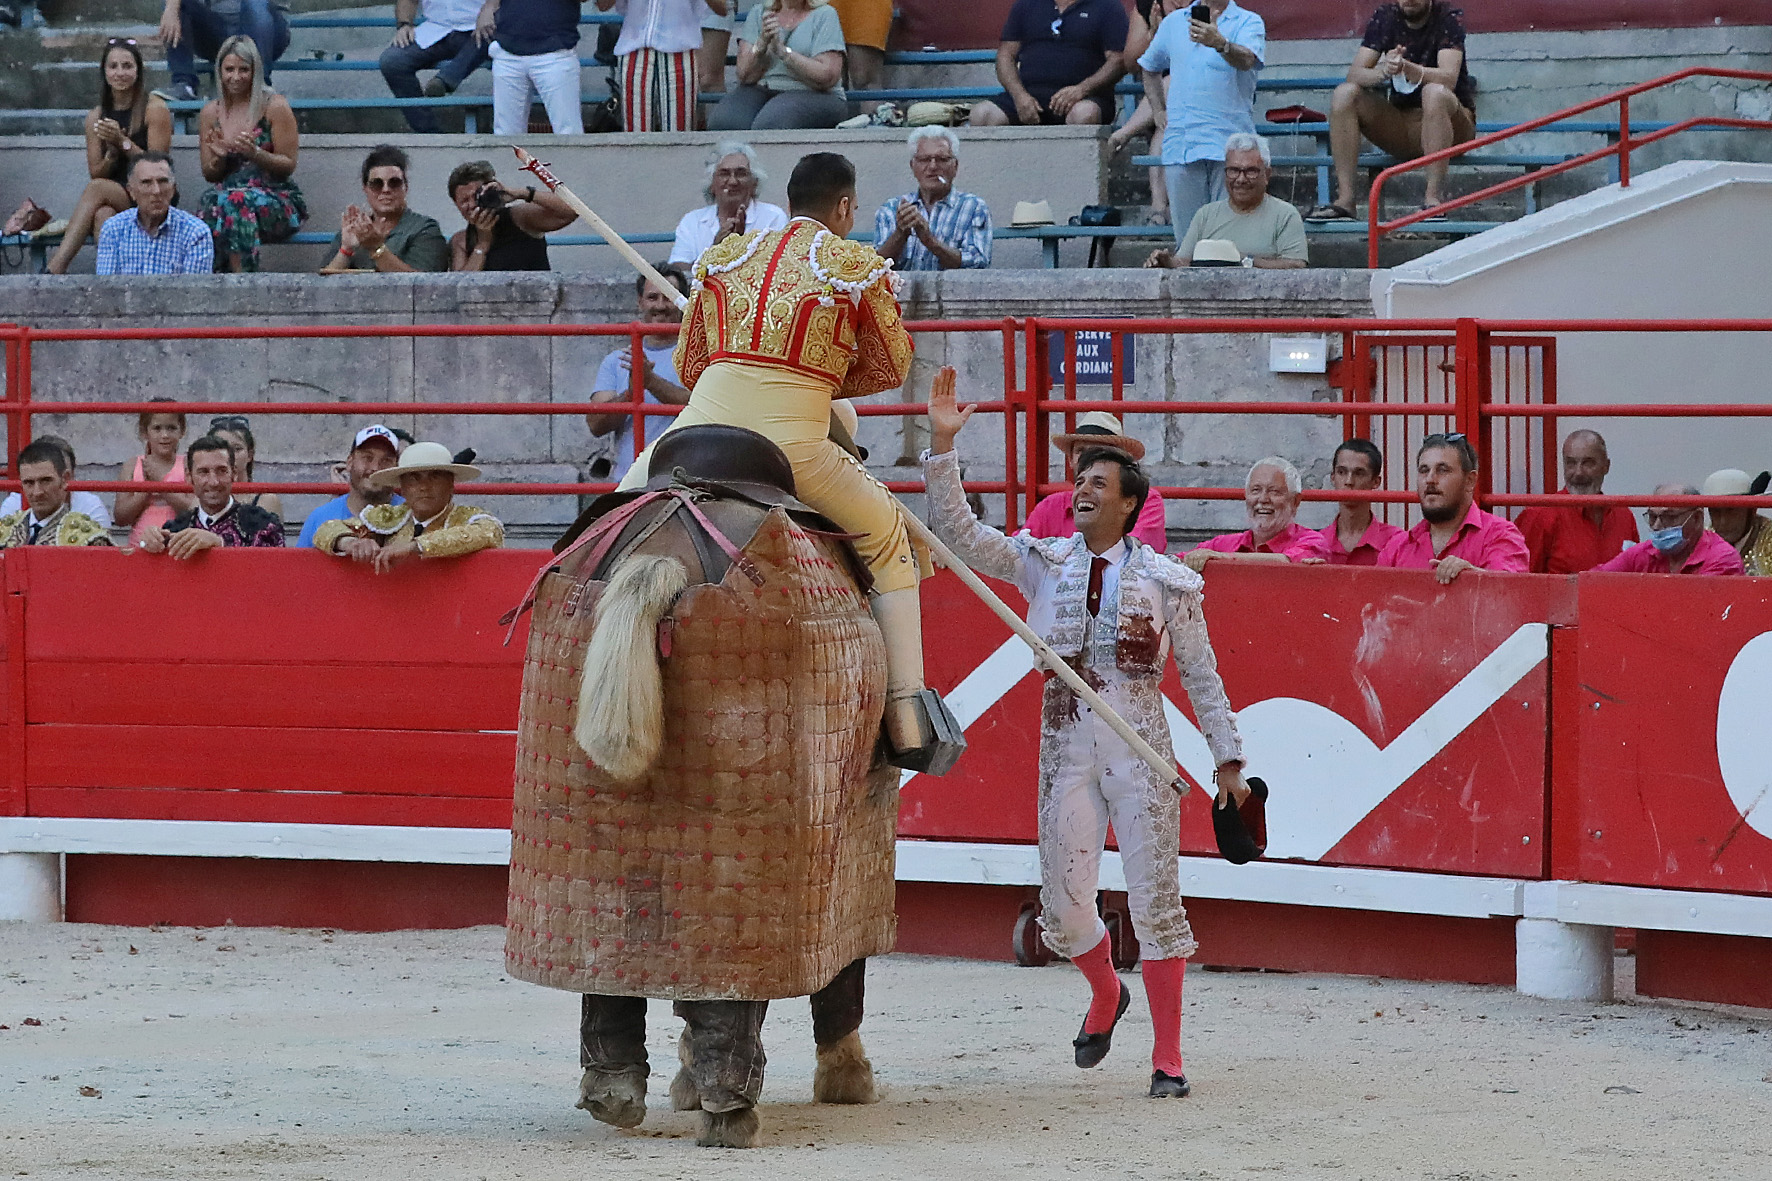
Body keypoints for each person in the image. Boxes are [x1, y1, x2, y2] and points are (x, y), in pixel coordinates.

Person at [923, 367, 1248, 1101]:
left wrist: (1228, 759)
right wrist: (943, 447)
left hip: (1140, 743)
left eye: (1099, 483)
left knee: (1156, 901)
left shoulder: (1167, 580)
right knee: (1066, 910)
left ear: (1130, 502)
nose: (1083, 491)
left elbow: (1202, 675)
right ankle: (1106, 991)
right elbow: (962, 537)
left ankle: (1168, 1057)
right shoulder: (1043, 563)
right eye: (1079, 481)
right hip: (1065, 739)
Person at [616, 152, 942, 767]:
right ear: (843, 206)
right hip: (793, 445)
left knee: (612, 517)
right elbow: (889, 365)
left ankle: (565, 643)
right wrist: (820, 376)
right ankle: (907, 719)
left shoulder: (723, 257)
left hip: (697, 428)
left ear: (787, 202)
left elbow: (690, 365)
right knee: (886, 539)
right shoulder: (854, 266)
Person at [1304, 0, 1476, 223]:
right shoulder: (1386, 15)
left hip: (1452, 127)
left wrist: (1412, 69)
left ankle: (1433, 201)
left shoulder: (1447, 15)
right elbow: (1354, 74)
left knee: (1434, 93)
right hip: (1402, 125)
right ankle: (1345, 201)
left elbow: (1448, 78)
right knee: (1344, 94)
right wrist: (1385, 71)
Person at [45, 39, 174, 275]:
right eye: (113, 66)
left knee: (97, 189)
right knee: (103, 215)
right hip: (117, 195)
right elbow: (96, 171)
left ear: (138, 70)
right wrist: (111, 156)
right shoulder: (96, 116)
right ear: (104, 72)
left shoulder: (155, 109)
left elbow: (159, 166)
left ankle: (55, 269)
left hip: (153, 192)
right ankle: (114, 283)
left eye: (127, 66)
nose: (120, 73)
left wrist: (122, 142)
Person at [1137, 0, 1264, 236]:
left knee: (1229, 242)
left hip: (1230, 148)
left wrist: (1221, 44)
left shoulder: (1249, 21)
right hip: (1182, 146)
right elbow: (1149, 66)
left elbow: (1248, 60)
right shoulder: (1174, 22)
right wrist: (1158, 110)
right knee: (1187, 242)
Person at [196, 35, 305, 273]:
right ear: (220, 71)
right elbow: (209, 174)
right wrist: (220, 157)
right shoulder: (210, 113)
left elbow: (288, 164)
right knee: (210, 202)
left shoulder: (274, 106)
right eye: (229, 69)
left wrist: (255, 153)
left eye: (243, 69)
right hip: (226, 195)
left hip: (275, 196)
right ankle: (214, 280)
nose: (236, 77)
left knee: (236, 202)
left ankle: (243, 281)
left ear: (255, 71)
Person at [314, 441, 505, 570]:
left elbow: (490, 532)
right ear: (403, 488)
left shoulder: (467, 518)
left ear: (451, 485)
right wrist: (350, 542)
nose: (424, 487)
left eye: (435, 477)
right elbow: (326, 529)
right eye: (414, 479)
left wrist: (415, 546)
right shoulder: (391, 517)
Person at [585, 267, 692, 485]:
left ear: (682, 302)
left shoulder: (698, 356)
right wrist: (631, 393)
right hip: (630, 484)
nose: (660, 306)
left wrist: (649, 382)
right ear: (640, 302)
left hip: (684, 485)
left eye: (668, 297)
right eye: (652, 297)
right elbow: (595, 424)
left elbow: (700, 407)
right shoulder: (615, 360)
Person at [1376, 432, 1528, 584]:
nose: (1430, 479)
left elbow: (1511, 589)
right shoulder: (1396, 548)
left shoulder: (1500, 534)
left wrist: (1473, 577)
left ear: (1470, 481)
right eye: (1424, 470)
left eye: (1442, 470)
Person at [1143, 134, 1306, 269]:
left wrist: (1245, 261)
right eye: (1233, 171)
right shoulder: (1206, 214)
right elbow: (1183, 261)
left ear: (1267, 175)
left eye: (1251, 171)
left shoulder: (1285, 215)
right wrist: (1164, 262)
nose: (1241, 179)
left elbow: (1297, 265)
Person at [970, 0, 1128, 128]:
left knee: (1085, 114)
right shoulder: (1026, 5)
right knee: (981, 115)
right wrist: (1019, 96)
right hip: (1030, 98)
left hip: (1084, 98)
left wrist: (1082, 89)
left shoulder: (1108, 6)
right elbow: (1005, 55)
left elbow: (1118, 60)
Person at [1022, 411, 1166, 549]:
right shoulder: (1050, 506)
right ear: (1070, 459)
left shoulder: (1147, 500)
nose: (1088, 458)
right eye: (1081, 451)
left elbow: (1137, 550)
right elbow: (1018, 551)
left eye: (1098, 451)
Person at [709, 0, 848, 131]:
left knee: (772, 122)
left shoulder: (825, 14)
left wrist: (784, 53)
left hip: (816, 93)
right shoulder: (759, 12)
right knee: (724, 121)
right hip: (763, 88)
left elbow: (828, 76)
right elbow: (744, 74)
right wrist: (761, 44)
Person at [137, 435, 286, 556]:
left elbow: (274, 567)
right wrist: (147, 542)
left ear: (234, 474)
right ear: (189, 477)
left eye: (221, 471)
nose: (213, 482)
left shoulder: (262, 523)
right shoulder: (175, 528)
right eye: (203, 472)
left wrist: (220, 543)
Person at [1513, 429, 1638, 574]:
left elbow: (1636, 575)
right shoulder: (1540, 516)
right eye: (1571, 463)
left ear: (1606, 466)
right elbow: (1523, 580)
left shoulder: (1624, 517)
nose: (1578, 472)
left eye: (1588, 463)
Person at [1109, 0, 1186, 225]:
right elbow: (1132, 63)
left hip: (1203, 88)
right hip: (1161, 105)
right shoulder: (1148, 5)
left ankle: (1126, 131)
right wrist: (1154, 34)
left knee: (1175, 80)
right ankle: (1159, 208)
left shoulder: (1207, 5)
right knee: (1166, 125)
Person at [872, 128, 992, 272]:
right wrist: (900, 233)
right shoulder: (892, 208)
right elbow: (875, 267)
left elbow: (979, 262)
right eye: (924, 160)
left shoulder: (974, 207)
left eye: (942, 159)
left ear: (955, 166)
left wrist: (929, 241)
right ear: (913, 166)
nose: (933, 166)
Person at [598, 0, 728, 132]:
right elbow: (603, 5)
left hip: (679, 48)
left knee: (679, 132)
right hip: (635, 48)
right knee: (636, 132)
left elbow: (722, 9)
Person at [321, 145, 450, 274]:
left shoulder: (425, 229)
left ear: (406, 187)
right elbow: (323, 282)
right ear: (365, 189)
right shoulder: (353, 230)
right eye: (376, 183)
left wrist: (376, 248)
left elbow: (423, 282)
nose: (386, 189)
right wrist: (346, 250)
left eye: (394, 182)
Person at [1183, 456, 1329, 569]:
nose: (1263, 499)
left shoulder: (1313, 541)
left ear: (1295, 501)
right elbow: (1176, 562)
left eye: (1274, 491)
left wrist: (1222, 558)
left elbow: (1288, 562)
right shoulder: (1221, 544)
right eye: (1256, 490)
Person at [668, 143, 788, 268]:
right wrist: (715, 251)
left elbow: (778, 267)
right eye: (724, 174)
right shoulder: (692, 221)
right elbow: (679, 270)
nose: (732, 181)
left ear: (754, 183)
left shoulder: (773, 218)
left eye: (741, 174)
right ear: (712, 184)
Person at [380, 0, 493, 132]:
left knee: (490, 36)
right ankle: (428, 132)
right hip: (435, 30)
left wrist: (490, 11)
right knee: (392, 60)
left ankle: (444, 80)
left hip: (478, 28)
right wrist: (404, 25)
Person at [95, 153, 214, 276]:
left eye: (163, 182)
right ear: (131, 192)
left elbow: (194, 287)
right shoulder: (113, 229)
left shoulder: (195, 233)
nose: (156, 191)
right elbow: (106, 285)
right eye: (146, 183)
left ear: (173, 189)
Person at [480, 0, 588, 135]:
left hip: (555, 52)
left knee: (568, 132)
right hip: (508, 49)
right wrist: (489, 6)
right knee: (505, 135)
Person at [446, 159, 575, 271]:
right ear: (456, 203)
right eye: (464, 201)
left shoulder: (518, 218)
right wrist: (482, 245)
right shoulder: (461, 241)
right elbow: (459, 286)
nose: (473, 204)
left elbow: (572, 209)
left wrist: (521, 193)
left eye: (477, 196)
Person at [156, 0, 290, 103]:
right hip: (217, 31)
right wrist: (171, 9)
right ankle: (184, 84)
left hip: (269, 30)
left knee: (255, 3)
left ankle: (259, 84)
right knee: (175, 4)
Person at [1597, 487, 1744, 577]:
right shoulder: (1643, 553)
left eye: (1669, 517)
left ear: (1697, 518)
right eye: (1652, 517)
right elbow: (1594, 580)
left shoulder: (1723, 558)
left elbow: (1694, 608)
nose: (1657, 526)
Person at [296, 425, 403, 548]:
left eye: (386, 461)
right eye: (367, 458)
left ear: (396, 468)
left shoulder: (410, 516)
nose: (375, 468)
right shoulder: (320, 517)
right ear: (350, 462)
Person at [113, 397, 197, 548]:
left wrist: (160, 484)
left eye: (171, 428)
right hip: (139, 547)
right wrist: (146, 489)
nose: (164, 435)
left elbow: (193, 510)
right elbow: (121, 518)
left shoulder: (188, 464)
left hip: (179, 546)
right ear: (144, 432)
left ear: (182, 430)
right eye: (157, 428)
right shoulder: (133, 465)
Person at [0, 440, 113, 548]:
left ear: (65, 479)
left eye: (46, 481)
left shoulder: (89, 538)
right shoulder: (6, 531)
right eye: (29, 483)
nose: (37, 492)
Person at [1316, 438, 1401, 565]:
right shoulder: (1315, 542)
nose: (1349, 481)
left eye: (1359, 473)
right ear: (1333, 478)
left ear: (1376, 482)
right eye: (1341, 472)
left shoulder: (1396, 541)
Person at [207, 415, 284, 521]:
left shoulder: (266, 500)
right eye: (220, 449)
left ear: (250, 455)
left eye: (237, 449)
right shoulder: (200, 498)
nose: (229, 455)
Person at [1702, 468, 1772, 576]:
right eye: (1715, 512)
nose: (1723, 522)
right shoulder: (1702, 540)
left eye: (1731, 511)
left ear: (1752, 510)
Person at [827, 0, 891, 108]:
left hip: (867, 5)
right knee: (831, 82)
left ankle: (875, 116)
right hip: (823, 4)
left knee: (865, 81)